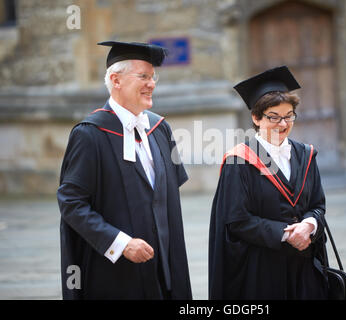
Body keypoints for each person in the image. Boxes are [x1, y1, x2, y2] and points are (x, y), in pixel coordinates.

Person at [57, 41, 192, 299]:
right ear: (116, 80)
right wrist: (120, 243)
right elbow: (71, 203)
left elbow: (166, 197)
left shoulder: (160, 128)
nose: (151, 83)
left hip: (165, 268)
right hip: (116, 272)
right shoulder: (90, 134)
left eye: (153, 77)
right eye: (143, 76)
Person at [209, 66, 328, 299]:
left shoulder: (306, 154)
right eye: (273, 117)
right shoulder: (240, 161)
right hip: (262, 269)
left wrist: (309, 226)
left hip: (304, 266)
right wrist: (285, 234)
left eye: (289, 116)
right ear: (256, 117)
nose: (282, 124)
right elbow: (236, 220)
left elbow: (318, 205)